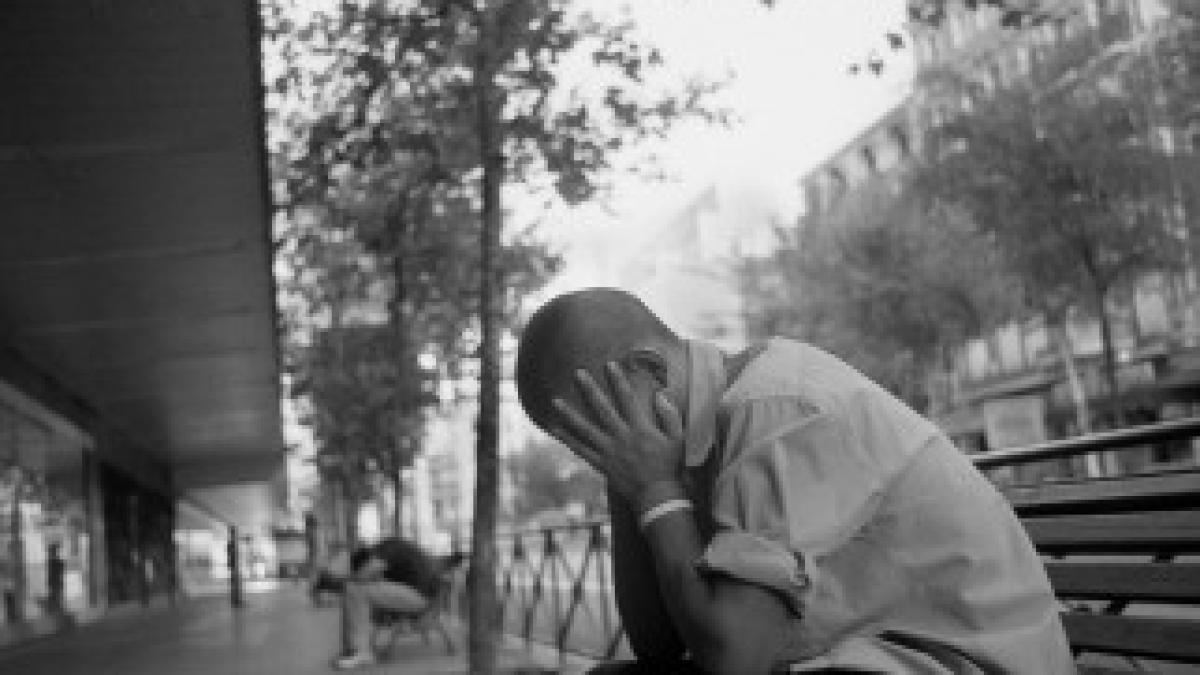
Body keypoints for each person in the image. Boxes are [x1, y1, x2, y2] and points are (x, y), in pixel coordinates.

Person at [514, 288, 1074, 674]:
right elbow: (657, 647)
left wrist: (658, 492)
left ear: (653, 372)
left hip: (957, 663)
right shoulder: (695, 440)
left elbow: (737, 660)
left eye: (599, 422)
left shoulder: (774, 406)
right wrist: (629, 486)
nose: (595, 450)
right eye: (579, 440)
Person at [331, 537, 462, 671]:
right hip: (420, 595)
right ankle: (352, 650)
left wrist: (349, 577)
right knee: (354, 588)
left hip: (419, 596)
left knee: (355, 588)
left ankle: (360, 651)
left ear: (367, 561)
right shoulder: (389, 551)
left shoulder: (384, 549)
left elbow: (365, 574)